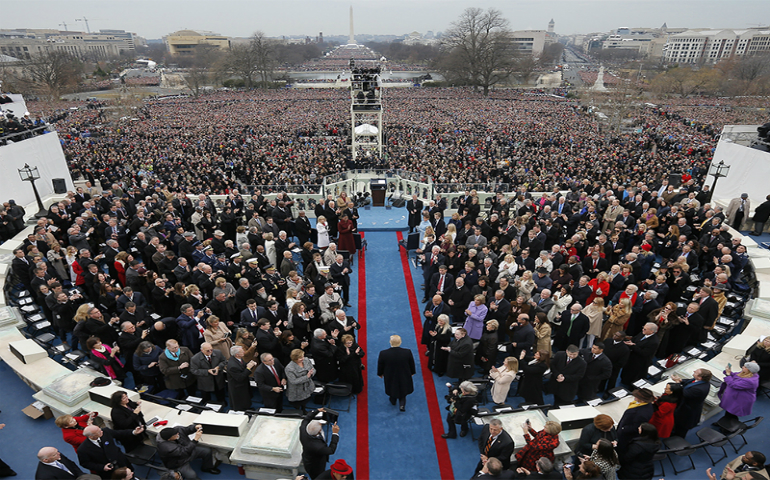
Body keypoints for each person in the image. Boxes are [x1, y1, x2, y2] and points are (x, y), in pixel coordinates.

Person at [76, 425, 143, 479]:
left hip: (121, 462)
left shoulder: (106, 431)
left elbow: (119, 433)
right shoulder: (83, 449)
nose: (102, 431)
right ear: (91, 436)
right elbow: (85, 463)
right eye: (99, 432)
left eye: (100, 429)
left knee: (130, 476)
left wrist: (134, 432)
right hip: (109, 472)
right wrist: (102, 467)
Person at [156, 425, 220, 478]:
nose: (177, 434)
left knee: (207, 451)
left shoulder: (176, 430)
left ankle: (207, 468)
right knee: (192, 476)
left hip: (189, 451)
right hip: (179, 462)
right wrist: (195, 440)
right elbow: (184, 452)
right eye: (175, 435)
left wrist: (195, 427)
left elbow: (187, 429)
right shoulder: (166, 447)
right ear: (169, 439)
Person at [377, 334, 416, 411]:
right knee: (403, 387)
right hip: (404, 373)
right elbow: (411, 363)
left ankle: (393, 400)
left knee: (392, 386)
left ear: (390, 342)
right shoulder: (407, 352)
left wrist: (380, 373)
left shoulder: (384, 353)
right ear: (400, 342)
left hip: (390, 374)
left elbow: (380, 365)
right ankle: (402, 405)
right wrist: (412, 372)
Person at [670, 368, 712, 438]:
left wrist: (677, 383)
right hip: (683, 407)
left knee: (682, 427)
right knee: (677, 423)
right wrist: (680, 380)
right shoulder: (700, 381)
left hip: (688, 412)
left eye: (696, 372)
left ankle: (678, 439)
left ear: (700, 377)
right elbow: (689, 382)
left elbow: (683, 393)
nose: (694, 371)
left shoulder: (699, 389)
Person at [299, 407, 340, 480]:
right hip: (315, 466)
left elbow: (307, 418)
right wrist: (335, 434)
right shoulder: (318, 447)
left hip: (307, 458)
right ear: (319, 431)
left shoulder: (303, 429)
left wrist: (317, 411)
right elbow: (331, 450)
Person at [616, 388, 655, 454]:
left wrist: (623, 429)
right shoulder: (644, 405)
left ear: (642, 400)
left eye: (637, 396)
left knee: (621, 448)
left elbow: (635, 427)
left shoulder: (642, 413)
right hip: (625, 427)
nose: (635, 396)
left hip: (626, 435)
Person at [227, 345, 258, 411]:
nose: (244, 352)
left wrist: (250, 364)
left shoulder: (238, 359)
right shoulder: (233, 366)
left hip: (243, 385)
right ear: (237, 354)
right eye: (242, 351)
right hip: (238, 387)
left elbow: (243, 367)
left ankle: (247, 408)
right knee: (241, 402)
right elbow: (240, 377)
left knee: (246, 399)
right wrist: (248, 368)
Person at [285, 348, 315, 413]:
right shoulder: (289, 368)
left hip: (307, 386)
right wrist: (307, 377)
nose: (303, 359)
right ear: (295, 359)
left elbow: (313, 369)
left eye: (303, 356)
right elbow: (294, 381)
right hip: (297, 390)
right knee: (297, 404)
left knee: (306, 400)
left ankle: (304, 410)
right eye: (300, 358)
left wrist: (312, 373)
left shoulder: (306, 360)